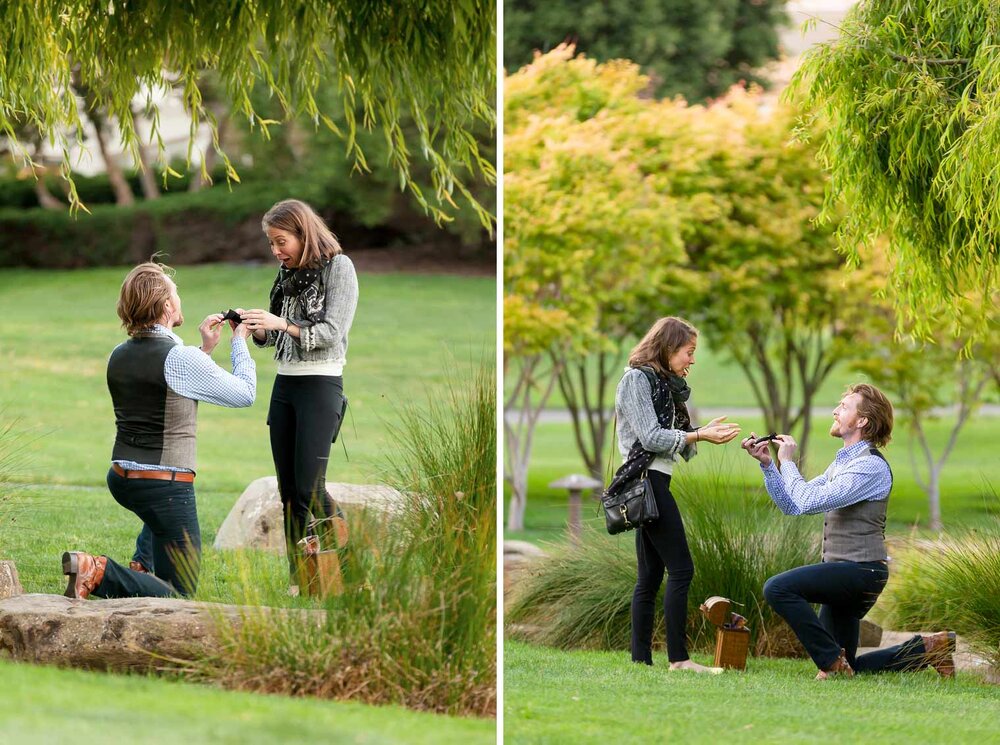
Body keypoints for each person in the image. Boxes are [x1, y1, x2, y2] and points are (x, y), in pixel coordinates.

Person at [62, 261, 256, 599]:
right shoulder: (179, 357)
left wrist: (206, 349)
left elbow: (163, 383)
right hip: (163, 484)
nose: (179, 299)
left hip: (123, 476)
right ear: (166, 305)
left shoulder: (119, 353)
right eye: (175, 293)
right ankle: (97, 571)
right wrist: (240, 341)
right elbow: (245, 394)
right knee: (179, 595)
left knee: (158, 526)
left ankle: (142, 569)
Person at [741, 383, 956, 679]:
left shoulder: (869, 467)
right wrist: (769, 466)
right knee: (848, 669)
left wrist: (787, 462)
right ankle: (930, 648)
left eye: (843, 407)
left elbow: (807, 501)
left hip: (861, 572)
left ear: (863, 421)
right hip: (844, 571)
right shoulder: (843, 465)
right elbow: (792, 505)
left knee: (778, 588)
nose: (835, 410)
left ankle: (830, 661)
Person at [241, 199, 359, 592]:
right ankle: (300, 580)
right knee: (289, 489)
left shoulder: (339, 268)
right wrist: (257, 327)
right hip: (286, 384)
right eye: (272, 244)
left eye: (281, 241)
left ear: (303, 233)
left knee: (311, 486)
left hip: (321, 384)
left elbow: (331, 331)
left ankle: (352, 570)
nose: (276, 251)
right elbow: (275, 335)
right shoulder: (286, 274)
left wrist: (283, 324)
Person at [616, 316, 741, 672]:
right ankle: (679, 659)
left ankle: (641, 660)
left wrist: (703, 431)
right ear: (668, 348)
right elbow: (651, 438)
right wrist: (699, 436)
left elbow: (671, 438)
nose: (692, 360)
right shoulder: (637, 380)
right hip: (648, 483)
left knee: (650, 577)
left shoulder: (661, 384)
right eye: (689, 351)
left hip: (656, 481)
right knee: (681, 569)